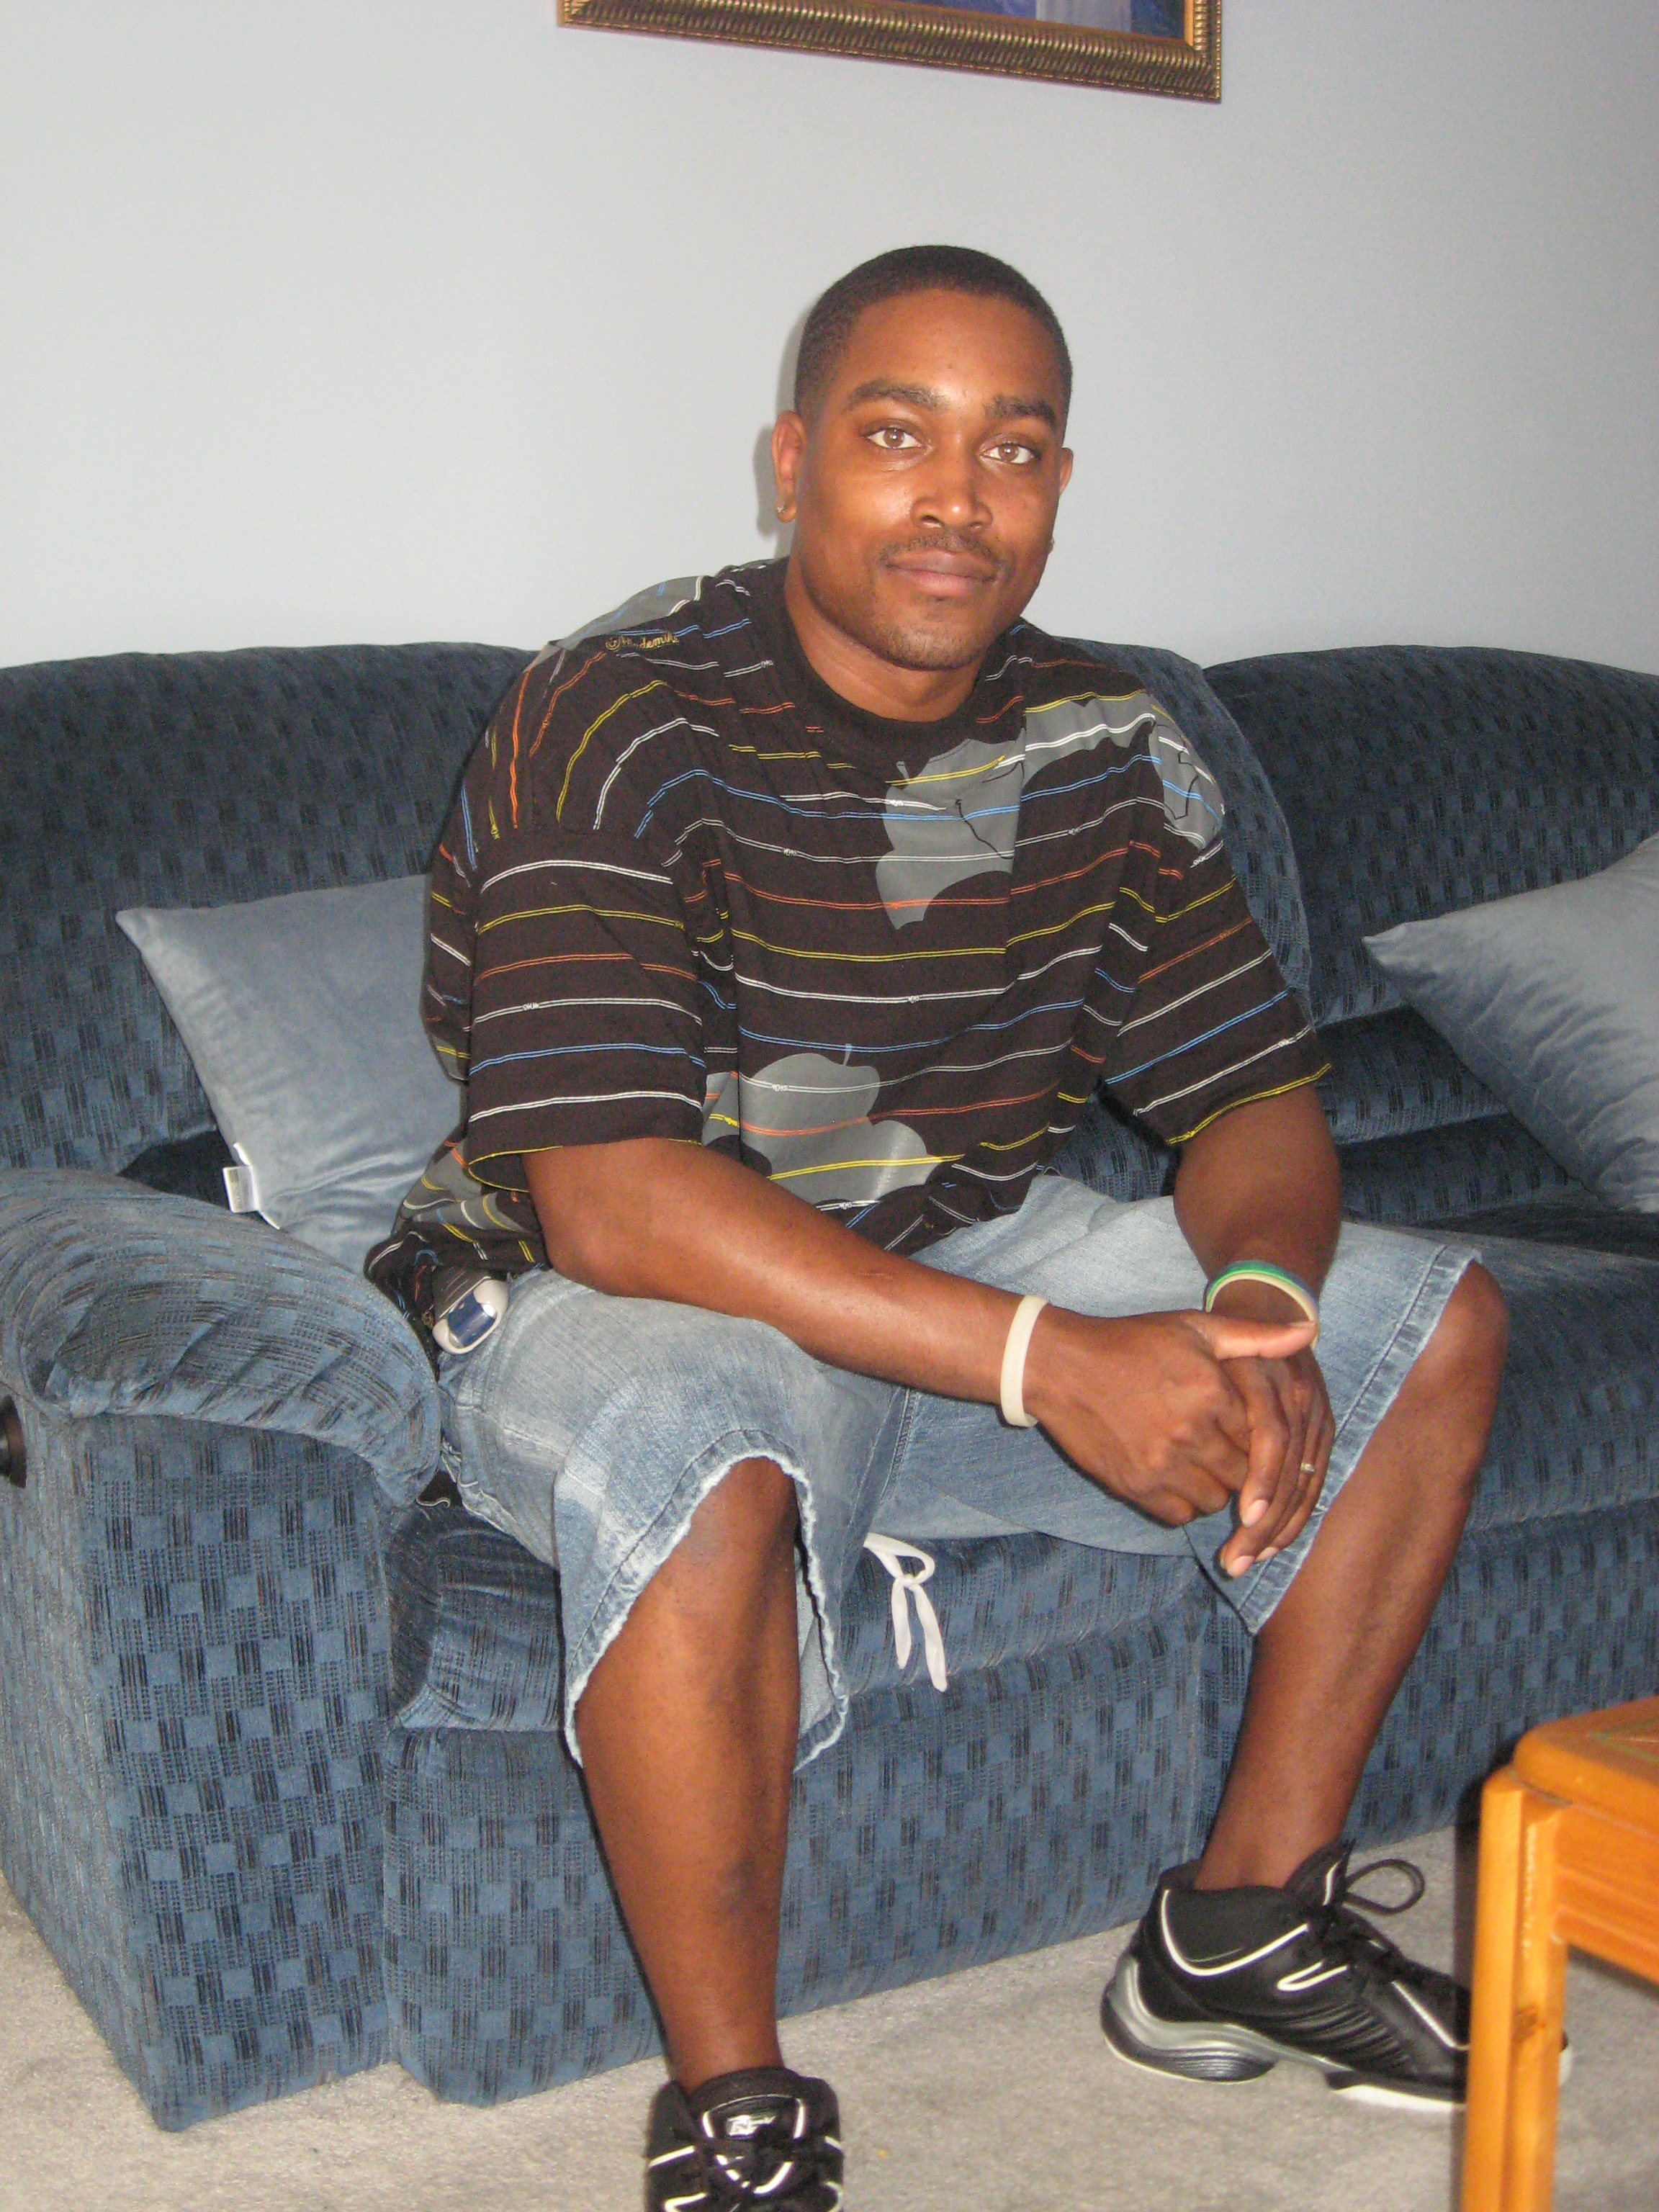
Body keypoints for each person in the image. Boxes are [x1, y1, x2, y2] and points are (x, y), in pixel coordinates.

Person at [370, 245, 1508, 2210]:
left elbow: (1250, 1098)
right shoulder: (611, 712)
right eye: (898, 437)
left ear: (1061, 483)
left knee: (1431, 1329)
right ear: (792, 459)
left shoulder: (1107, 743)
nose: (957, 502)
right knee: (705, 1442)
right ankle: (736, 2110)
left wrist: (1256, 1300)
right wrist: (1046, 1365)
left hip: (952, 1252)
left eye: (1015, 449)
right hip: (601, 1281)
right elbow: (614, 1200)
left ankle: (1241, 1928)